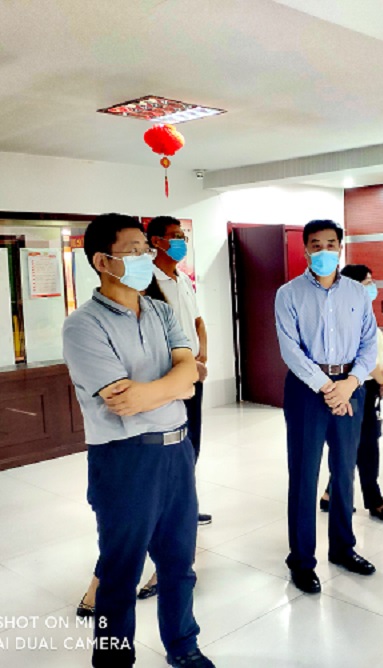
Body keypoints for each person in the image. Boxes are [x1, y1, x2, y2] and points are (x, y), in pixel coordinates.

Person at [62, 213, 212, 667]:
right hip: (125, 459)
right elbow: (122, 400)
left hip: (177, 452)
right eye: (133, 250)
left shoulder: (161, 311)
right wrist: (177, 385)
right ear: (102, 261)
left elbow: (191, 371)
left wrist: (153, 391)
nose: (145, 257)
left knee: (179, 564)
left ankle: (183, 647)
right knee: (120, 570)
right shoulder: (83, 325)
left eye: (146, 249)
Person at [275, 219, 378, 594]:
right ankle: (301, 560)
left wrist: (350, 384)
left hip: (350, 387)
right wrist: (327, 387)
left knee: (344, 471)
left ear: (341, 247)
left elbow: (369, 343)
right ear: (305, 250)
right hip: (307, 391)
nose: (324, 251)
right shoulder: (288, 294)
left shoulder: (357, 293)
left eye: (330, 244)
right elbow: (290, 349)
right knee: (304, 477)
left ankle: (343, 549)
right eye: (316, 245)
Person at [319, 264, 383, 524]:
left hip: (369, 387)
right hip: (354, 388)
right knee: (358, 446)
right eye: (367, 283)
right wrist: (380, 376)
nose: (372, 287)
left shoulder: (364, 312)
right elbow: (360, 355)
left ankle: (331, 494)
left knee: (360, 444)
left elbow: (377, 353)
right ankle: (374, 501)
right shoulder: (345, 314)